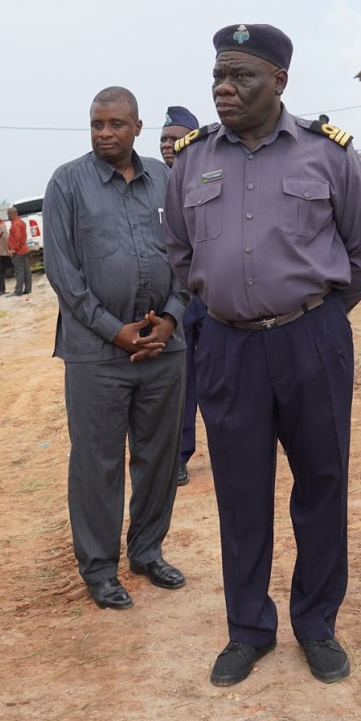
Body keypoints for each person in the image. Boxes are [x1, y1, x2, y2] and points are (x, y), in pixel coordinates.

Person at [164, 24, 361, 688]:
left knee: (322, 483)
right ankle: (249, 629)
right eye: (218, 77)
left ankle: (316, 624)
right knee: (240, 490)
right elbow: (179, 252)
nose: (224, 89)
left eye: (241, 77)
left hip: (310, 338)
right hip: (227, 344)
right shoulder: (192, 160)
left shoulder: (327, 153)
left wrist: (316, 317)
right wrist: (226, 303)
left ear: (280, 80)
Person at [43, 86, 189, 612]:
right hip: (97, 354)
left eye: (116, 124)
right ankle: (100, 569)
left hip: (164, 348)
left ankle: (147, 551)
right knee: (97, 463)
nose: (105, 133)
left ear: (138, 127)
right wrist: (114, 330)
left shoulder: (166, 180)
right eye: (96, 124)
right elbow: (63, 272)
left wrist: (170, 317)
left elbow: (187, 253)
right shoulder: (67, 183)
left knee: (159, 457)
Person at [159, 106, 207, 486]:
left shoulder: (211, 174)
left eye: (175, 138)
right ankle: (179, 455)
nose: (167, 145)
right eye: (162, 139)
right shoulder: (153, 183)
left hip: (214, 295)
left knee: (227, 375)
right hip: (178, 298)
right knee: (183, 380)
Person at [159, 104, 197, 168]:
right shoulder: (154, 173)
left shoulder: (208, 170)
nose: (166, 145)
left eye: (174, 139)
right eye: (163, 140)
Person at [7, 205, 33, 296]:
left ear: (13, 214)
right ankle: (28, 289)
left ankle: (18, 291)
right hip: (24, 250)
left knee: (19, 271)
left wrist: (13, 249)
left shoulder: (16, 224)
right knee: (26, 271)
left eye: (9, 214)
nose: (8, 216)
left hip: (18, 252)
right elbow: (23, 237)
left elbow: (18, 238)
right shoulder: (21, 222)